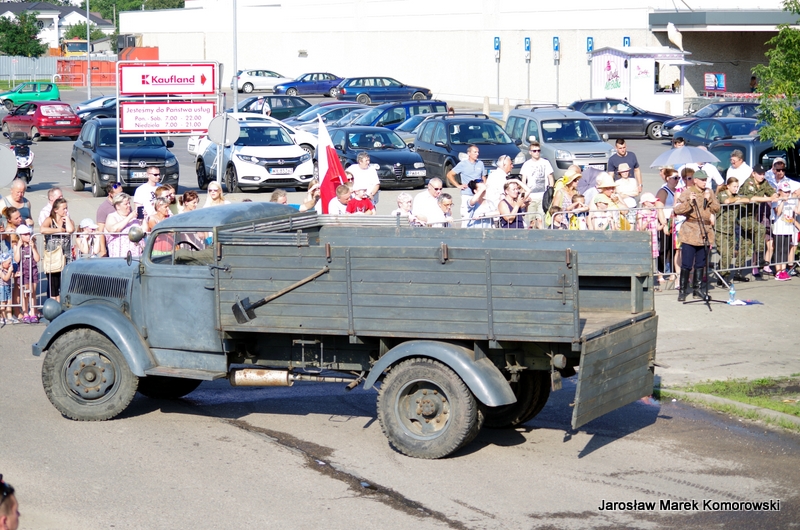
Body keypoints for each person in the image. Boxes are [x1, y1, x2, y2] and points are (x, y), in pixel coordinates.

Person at [672, 170, 720, 301]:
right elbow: (677, 209)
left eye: (705, 179)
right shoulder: (688, 192)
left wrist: (709, 200)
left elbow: (717, 208)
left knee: (701, 263)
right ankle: (682, 290)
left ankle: (697, 289)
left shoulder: (709, 192)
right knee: (687, 263)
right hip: (691, 231)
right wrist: (689, 202)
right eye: (702, 180)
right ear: (695, 180)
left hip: (705, 230)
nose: (705, 182)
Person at [738, 164, 777, 276]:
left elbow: (770, 191)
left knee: (746, 243)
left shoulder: (763, 182)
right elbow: (751, 198)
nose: (762, 176)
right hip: (744, 216)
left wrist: (774, 194)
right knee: (760, 229)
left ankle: (738, 272)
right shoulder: (749, 183)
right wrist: (769, 198)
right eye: (759, 174)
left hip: (753, 216)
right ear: (753, 174)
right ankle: (759, 259)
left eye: (763, 174)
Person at [715, 177, 750, 283]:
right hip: (721, 230)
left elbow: (747, 200)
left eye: (737, 187)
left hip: (731, 230)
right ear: (728, 186)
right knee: (725, 253)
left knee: (729, 254)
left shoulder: (735, 195)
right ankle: (724, 277)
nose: (736, 189)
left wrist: (736, 199)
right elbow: (726, 201)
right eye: (734, 186)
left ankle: (721, 274)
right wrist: (737, 199)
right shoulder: (722, 194)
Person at [40, 197, 75, 302]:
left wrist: (67, 219)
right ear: (56, 210)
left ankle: (61, 305)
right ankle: (53, 306)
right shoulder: (50, 220)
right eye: (63, 208)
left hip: (66, 257)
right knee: (53, 285)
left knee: (64, 285)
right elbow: (42, 229)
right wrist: (58, 230)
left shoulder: (68, 220)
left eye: (66, 208)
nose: (66, 210)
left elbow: (70, 230)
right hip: (53, 257)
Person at [447, 145, 486, 226]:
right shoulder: (462, 164)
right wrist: (458, 185)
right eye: (475, 152)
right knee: (466, 217)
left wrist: (484, 188)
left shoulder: (480, 164)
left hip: (478, 195)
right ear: (469, 153)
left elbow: (483, 177)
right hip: (467, 194)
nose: (477, 154)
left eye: (478, 152)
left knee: (478, 216)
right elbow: (450, 175)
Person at [519, 141, 554, 229]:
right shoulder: (526, 164)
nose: (537, 152)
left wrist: (550, 192)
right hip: (531, 196)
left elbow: (550, 178)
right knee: (531, 221)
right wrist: (524, 196)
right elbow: (523, 181)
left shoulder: (545, 163)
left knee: (540, 219)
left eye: (538, 150)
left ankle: (542, 235)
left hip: (543, 196)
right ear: (530, 152)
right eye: (534, 151)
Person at [637, 193, 666, 283]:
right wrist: (647, 222)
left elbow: (657, 227)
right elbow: (641, 228)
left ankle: (655, 276)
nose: (653, 204)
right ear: (645, 203)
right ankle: (644, 276)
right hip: (644, 238)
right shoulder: (640, 213)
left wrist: (663, 225)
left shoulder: (654, 212)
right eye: (651, 202)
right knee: (644, 257)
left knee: (653, 258)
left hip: (653, 238)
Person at [13, 225, 39, 323]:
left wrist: (33, 248)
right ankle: (25, 313)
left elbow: (37, 259)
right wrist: (19, 247)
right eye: (25, 234)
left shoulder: (33, 245)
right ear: (20, 236)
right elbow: (17, 259)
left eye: (29, 234)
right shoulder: (17, 246)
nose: (28, 236)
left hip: (33, 271)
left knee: (32, 292)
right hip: (23, 272)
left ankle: (33, 313)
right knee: (25, 294)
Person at [105, 193, 144, 258]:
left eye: (129, 203)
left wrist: (144, 218)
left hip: (137, 255)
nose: (129, 205)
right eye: (126, 204)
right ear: (118, 206)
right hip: (119, 256)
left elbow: (144, 230)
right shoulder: (112, 216)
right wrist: (129, 217)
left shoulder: (135, 218)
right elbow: (114, 230)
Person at [772, 180, 797, 281]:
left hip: (788, 228)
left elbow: (797, 211)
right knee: (779, 250)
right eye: (785, 192)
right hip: (779, 229)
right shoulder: (776, 200)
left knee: (786, 250)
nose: (787, 194)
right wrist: (782, 201)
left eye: (788, 192)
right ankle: (778, 271)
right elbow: (778, 213)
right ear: (780, 191)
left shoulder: (792, 200)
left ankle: (783, 270)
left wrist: (798, 200)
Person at [96, 183, 122, 257]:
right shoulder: (103, 208)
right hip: (111, 245)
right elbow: (100, 231)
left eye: (122, 192)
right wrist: (103, 250)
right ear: (111, 194)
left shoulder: (125, 204)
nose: (121, 195)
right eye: (118, 194)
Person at [0, 252, 13, 325]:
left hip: (8, 287)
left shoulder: (7, 269)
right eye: (9, 263)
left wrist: (14, 274)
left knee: (9, 302)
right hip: (2, 288)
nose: (10, 265)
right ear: (3, 263)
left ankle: (9, 316)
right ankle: (3, 317)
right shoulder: (0, 270)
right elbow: (5, 278)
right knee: (3, 303)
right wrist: (10, 271)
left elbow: (11, 276)